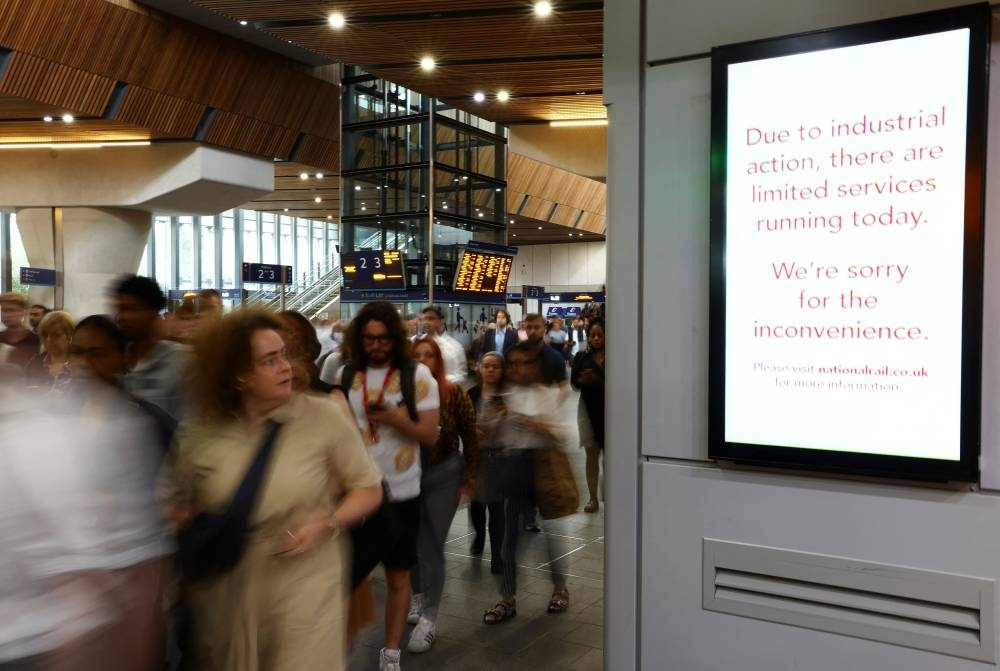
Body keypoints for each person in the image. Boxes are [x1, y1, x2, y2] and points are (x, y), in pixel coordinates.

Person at [167, 310, 383, 671]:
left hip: (305, 585)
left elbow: (369, 487)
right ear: (237, 375)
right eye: (269, 360)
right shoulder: (201, 429)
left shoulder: (323, 416)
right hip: (228, 591)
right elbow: (178, 502)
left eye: (284, 354)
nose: (286, 366)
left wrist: (327, 522)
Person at [337, 301, 440, 671]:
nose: (375, 346)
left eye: (382, 339)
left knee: (398, 577)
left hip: (401, 494)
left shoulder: (419, 376)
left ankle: (391, 652)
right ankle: (337, 652)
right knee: (346, 578)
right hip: (357, 493)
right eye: (368, 339)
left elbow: (429, 436)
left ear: (394, 338)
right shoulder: (347, 374)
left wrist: (395, 418)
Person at [482, 342, 571, 624]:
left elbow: (563, 435)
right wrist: (495, 424)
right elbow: (491, 436)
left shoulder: (545, 394)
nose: (518, 369)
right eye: (514, 364)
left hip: (542, 467)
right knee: (510, 540)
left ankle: (560, 588)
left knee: (551, 536)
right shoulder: (507, 396)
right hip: (515, 469)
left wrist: (537, 426)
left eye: (525, 363)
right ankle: (507, 598)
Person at [405, 337, 478, 654]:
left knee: (432, 543)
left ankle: (430, 620)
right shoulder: (402, 393)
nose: (423, 360)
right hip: (408, 476)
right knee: (411, 541)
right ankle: (417, 595)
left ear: (438, 360)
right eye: (417, 355)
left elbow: (471, 439)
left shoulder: (452, 393)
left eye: (429, 355)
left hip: (444, 475)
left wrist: (468, 481)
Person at [111, 275, 186, 422]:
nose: (122, 317)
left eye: (131, 309)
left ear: (153, 312)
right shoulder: (114, 360)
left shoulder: (180, 361)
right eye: (120, 309)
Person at [468, 351, 508, 569]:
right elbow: (462, 423)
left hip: (499, 458)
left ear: (502, 371)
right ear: (480, 368)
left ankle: (497, 555)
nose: (490, 370)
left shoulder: (507, 396)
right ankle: (479, 536)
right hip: (477, 457)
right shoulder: (472, 394)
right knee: (476, 504)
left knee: (497, 508)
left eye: (495, 366)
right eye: (486, 366)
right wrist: (470, 429)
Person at [571, 320, 606, 513]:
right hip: (587, 412)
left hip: (611, 414)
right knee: (591, 455)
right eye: (592, 335)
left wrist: (597, 380)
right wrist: (582, 380)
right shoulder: (581, 357)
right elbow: (574, 385)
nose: (596, 339)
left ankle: (611, 495)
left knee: (612, 458)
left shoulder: (617, 356)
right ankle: (592, 498)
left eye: (600, 335)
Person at [24, 310, 74, 390]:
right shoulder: (35, 362)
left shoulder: (78, 364)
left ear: (69, 336)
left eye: (56, 335)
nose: (48, 340)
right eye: (44, 335)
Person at [418, 305, 466, 385]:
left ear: (442, 320)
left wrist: (437, 381)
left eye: (431, 318)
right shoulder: (416, 343)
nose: (426, 322)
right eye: (424, 319)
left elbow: (461, 376)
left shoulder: (455, 347)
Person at [0, 293, 41, 370]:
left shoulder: (36, 340)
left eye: (11, 310)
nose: (6, 315)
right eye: (3, 310)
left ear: (24, 312)